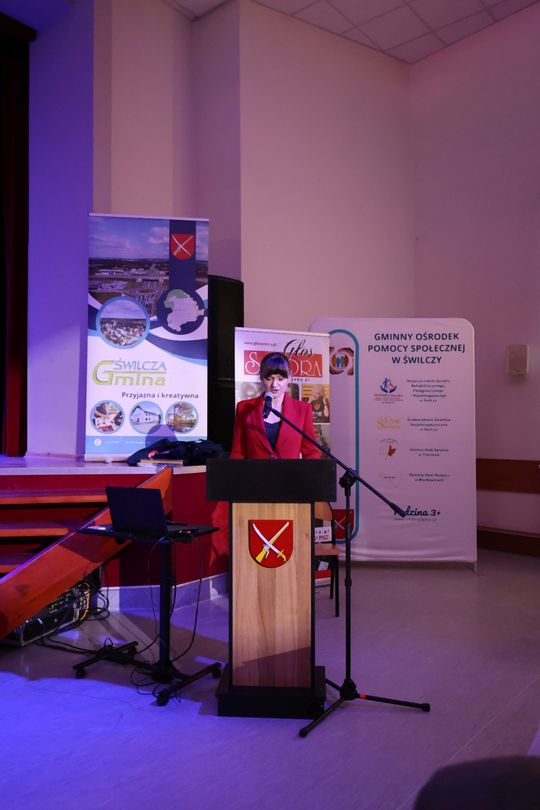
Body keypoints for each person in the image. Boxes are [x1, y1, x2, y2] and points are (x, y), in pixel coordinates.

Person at [230, 352, 320, 459]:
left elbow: (311, 453)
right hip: (255, 470)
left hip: (290, 471)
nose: (274, 385)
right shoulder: (244, 408)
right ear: (261, 377)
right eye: (269, 378)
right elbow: (238, 452)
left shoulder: (302, 410)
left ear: (289, 377)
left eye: (280, 379)